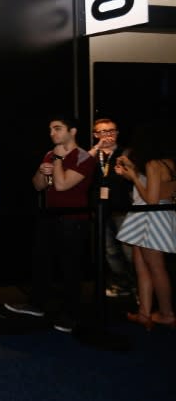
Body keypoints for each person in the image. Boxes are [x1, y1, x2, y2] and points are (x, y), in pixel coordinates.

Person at [5, 116, 96, 333]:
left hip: (73, 219)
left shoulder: (83, 157)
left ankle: (71, 314)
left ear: (72, 131)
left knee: (70, 268)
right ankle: (37, 304)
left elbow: (63, 185)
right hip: (49, 216)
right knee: (41, 260)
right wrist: (42, 171)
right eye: (50, 129)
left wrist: (56, 159)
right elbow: (38, 186)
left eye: (57, 128)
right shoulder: (50, 154)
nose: (52, 133)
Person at [115, 120, 176, 330]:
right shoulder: (169, 162)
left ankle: (167, 314)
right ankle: (145, 313)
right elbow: (163, 193)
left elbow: (150, 199)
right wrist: (134, 171)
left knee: (155, 267)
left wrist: (133, 176)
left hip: (151, 216)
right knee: (142, 265)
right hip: (160, 215)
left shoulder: (153, 164)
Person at [88, 118, 134, 297]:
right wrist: (96, 148)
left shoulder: (126, 153)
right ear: (95, 135)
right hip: (100, 210)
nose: (108, 135)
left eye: (111, 131)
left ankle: (139, 285)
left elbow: (138, 177)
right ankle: (123, 284)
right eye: (103, 132)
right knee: (109, 251)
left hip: (123, 209)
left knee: (129, 251)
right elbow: (79, 164)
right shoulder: (92, 154)